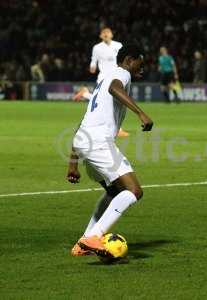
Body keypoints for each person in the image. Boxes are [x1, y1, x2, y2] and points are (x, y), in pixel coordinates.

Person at [67, 42, 154, 257]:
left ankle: (83, 243)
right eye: (140, 65)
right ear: (128, 61)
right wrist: (140, 113)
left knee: (113, 191)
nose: (142, 69)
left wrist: (73, 163)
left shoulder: (104, 77)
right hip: (98, 143)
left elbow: (84, 121)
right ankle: (94, 237)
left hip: (85, 140)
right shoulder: (121, 74)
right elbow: (115, 88)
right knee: (134, 191)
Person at [73, 27, 130, 137]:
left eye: (107, 32)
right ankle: (117, 129)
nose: (105, 34)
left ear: (112, 35)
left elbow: (125, 59)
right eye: (103, 33)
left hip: (116, 77)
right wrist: (92, 67)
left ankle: (85, 94)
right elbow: (93, 61)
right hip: (103, 77)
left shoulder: (118, 45)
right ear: (100, 36)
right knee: (111, 101)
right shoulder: (97, 48)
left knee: (111, 101)